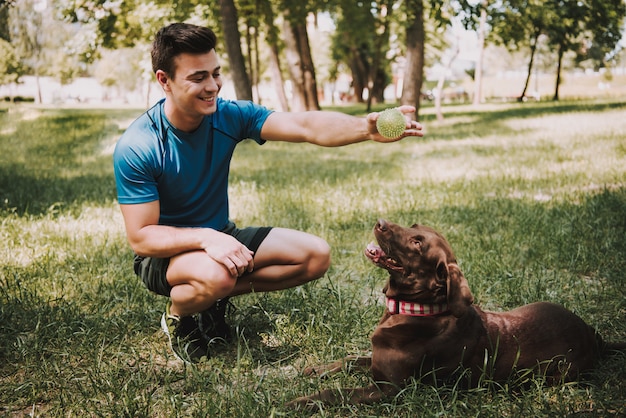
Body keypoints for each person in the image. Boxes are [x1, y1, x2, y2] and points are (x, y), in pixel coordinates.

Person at [113, 22, 424, 364]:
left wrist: (363, 128)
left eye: (216, 74)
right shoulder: (139, 144)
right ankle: (180, 316)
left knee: (314, 256)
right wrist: (205, 238)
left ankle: (211, 300)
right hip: (163, 258)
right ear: (164, 80)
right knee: (216, 274)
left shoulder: (227, 116)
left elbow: (303, 126)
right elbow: (142, 238)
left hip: (220, 237)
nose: (213, 86)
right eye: (198, 77)